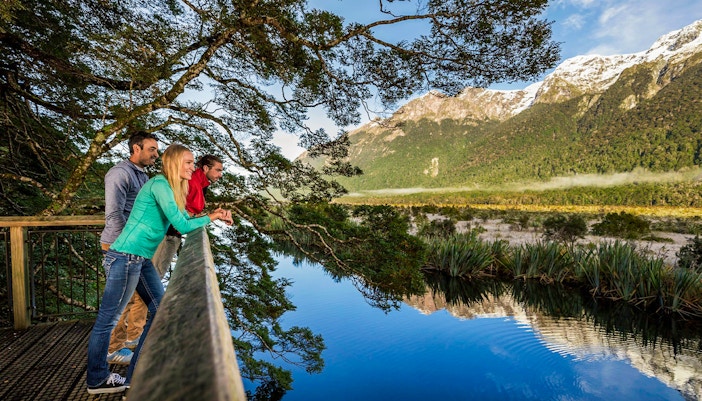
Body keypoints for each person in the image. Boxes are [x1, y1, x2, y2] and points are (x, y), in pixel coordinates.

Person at [86, 144, 233, 394]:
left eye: (193, 162)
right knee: (106, 321)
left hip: (139, 259)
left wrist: (212, 213)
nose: (192, 167)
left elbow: (184, 220)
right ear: (174, 163)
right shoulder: (160, 184)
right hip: (126, 256)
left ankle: (135, 376)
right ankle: (97, 380)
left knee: (159, 310)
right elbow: (182, 225)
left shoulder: (173, 187)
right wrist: (214, 217)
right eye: (188, 162)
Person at [100, 131, 159, 366]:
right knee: (120, 303)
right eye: (152, 149)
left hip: (136, 248)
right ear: (136, 148)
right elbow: (114, 215)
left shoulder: (142, 177)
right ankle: (111, 351)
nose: (156, 153)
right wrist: (130, 243)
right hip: (120, 246)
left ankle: (131, 340)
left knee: (143, 300)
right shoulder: (119, 173)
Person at [151, 154, 225, 276]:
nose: (220, 175)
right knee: (155, 273)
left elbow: (189, 211)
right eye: (218, 170)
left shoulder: (201, 184)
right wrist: (213, 216)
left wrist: (213, 214)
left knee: (154, 274)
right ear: (206, 168)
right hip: (168, 234)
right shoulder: (192, 182)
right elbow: (179, 209)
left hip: (172, 232)